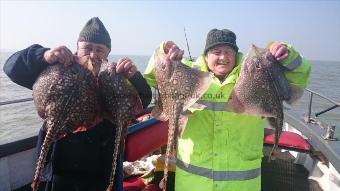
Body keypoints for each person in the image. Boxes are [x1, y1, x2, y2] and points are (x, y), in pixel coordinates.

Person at [144, 28, 311, 191]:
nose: (223, 57)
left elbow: (298, 77)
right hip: (193, 183)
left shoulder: (252, 73)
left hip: (241, 184)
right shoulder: (188, 72)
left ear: (235, 55)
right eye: (217, 51)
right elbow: (153, 75)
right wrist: (164, 50)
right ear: (206, 55)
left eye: (228, 52)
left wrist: (287, 55)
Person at [3, 17, 152, 191]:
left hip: (100, 168)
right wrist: (44, 56)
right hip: (58, 167)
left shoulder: (114, 77)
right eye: (87, 47)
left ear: (108, 53)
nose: (93, 54)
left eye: (99, 50)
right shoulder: (59, 68)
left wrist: (133, 77)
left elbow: (144, 99)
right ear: (77, 47)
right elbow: (11, 68)